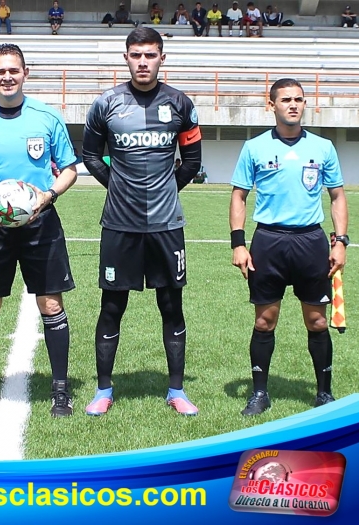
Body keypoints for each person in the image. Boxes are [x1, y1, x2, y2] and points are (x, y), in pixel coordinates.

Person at [82, 27, 202, 417]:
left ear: (161, 58)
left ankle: (176, 390)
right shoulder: (106, 103)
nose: (143, 62)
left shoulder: (181, 104)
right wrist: (118, 186)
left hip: (167, 225)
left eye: (150, 55)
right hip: (120, 224)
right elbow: (91, 156)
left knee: (172, 305)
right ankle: (103, 390)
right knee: (112, 306)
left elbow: (194, 162)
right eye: (136, 55)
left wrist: (167, 190)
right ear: (127, 58)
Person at [0, 43, 78, 418]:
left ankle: (60, 390)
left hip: (40, 222)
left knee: (51, 303)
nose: (7, 77)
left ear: (25, 73)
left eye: (13, 70)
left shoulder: (47, 117)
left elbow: (71, 168)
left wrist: (48, 196)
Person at [229, 78, 348, 416]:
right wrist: (239, 243)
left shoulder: (323, 147)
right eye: (285, 100)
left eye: (298, 99)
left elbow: (337, 196)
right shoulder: (254, 147)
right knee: (265, 321)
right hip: (268, 241)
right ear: (272, 105)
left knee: (318, 322)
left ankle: (324, 394)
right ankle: (259, 393)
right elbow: (238, 195)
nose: (293, 105)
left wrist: (340, 242)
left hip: (311, 241)